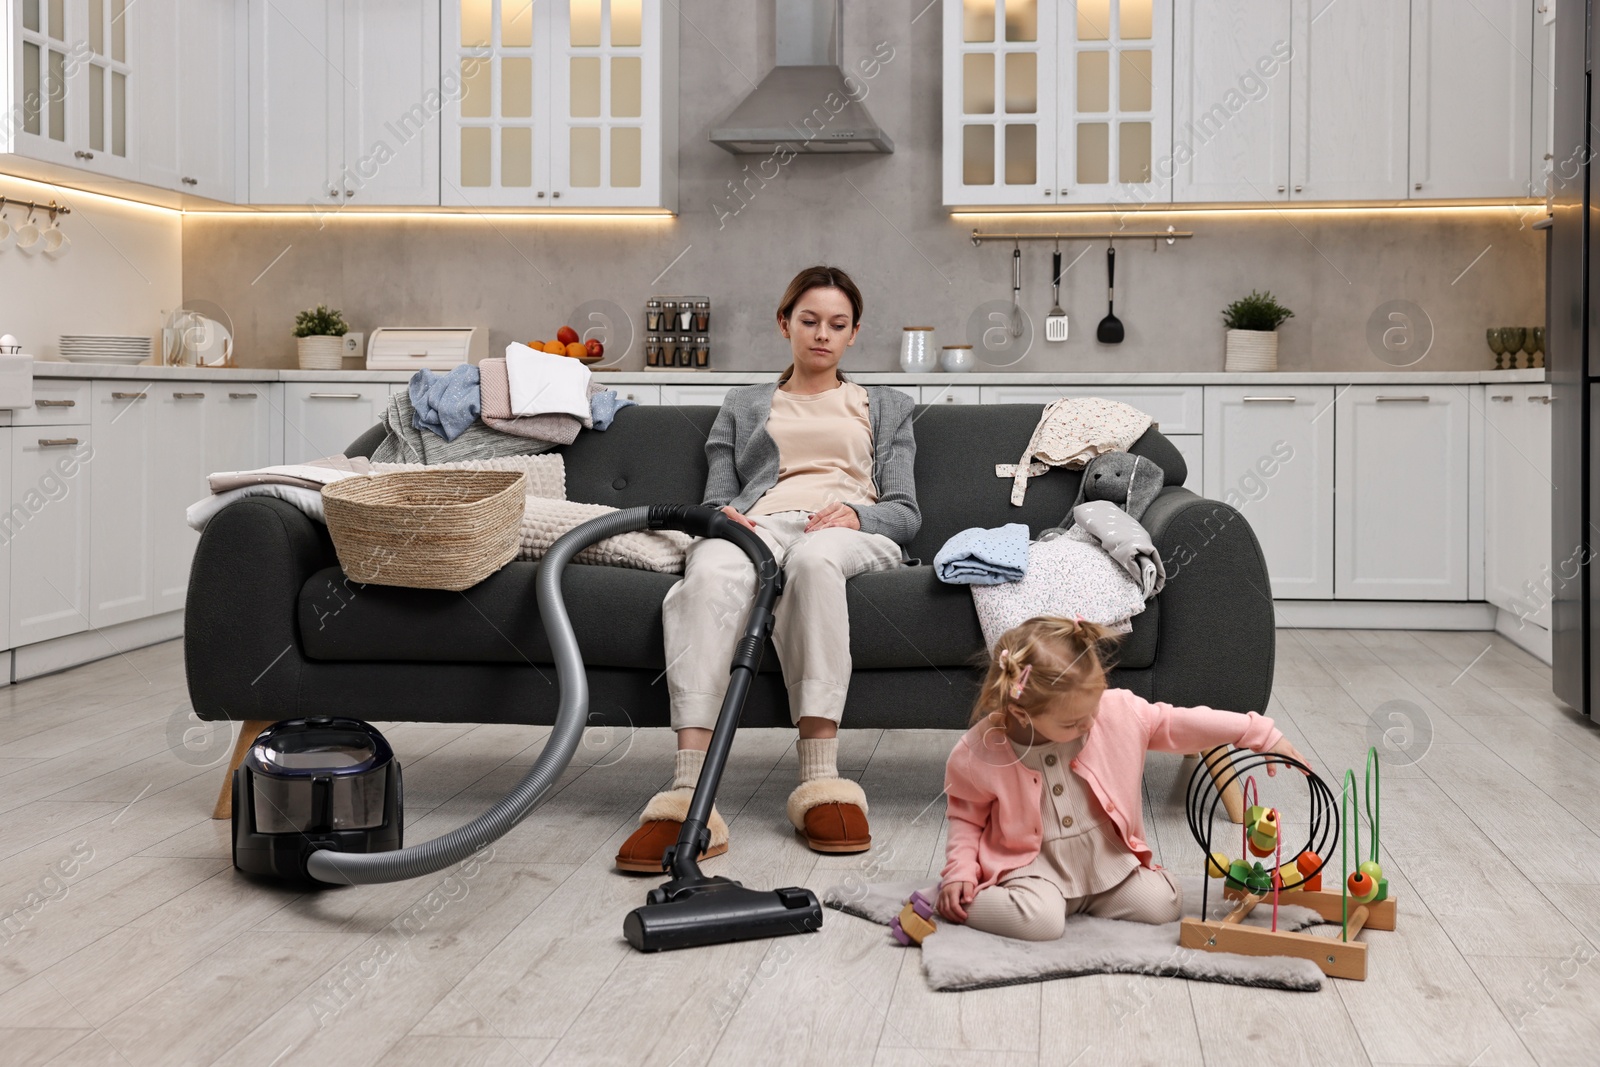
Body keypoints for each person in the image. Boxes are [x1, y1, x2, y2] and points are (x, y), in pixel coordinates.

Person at [615, 265, 921, 872]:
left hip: (842, 531)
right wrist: (725, 520)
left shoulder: (885, 406)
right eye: (809, 321)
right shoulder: (745, 404)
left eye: (838, 324)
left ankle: (821, 782)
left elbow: (906, 511)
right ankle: (686, 794)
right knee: (708, 576)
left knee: (812, 563)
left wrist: (859, 519)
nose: (822, 335)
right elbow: (716, 499)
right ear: (785, 323)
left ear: (854, 333)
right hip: (757, 528)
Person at [936, 616, 1310, 940]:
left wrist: (1254, 731)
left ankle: (1086, 900)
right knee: (1042, 924)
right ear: (1020, 712)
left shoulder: (1117, 712)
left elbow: (1176, 722)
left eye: (1093, 708)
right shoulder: (980, 750)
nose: (1089, 723)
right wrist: (959, 872)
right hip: (1034, 871)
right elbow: (966, 819)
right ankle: (957, 901)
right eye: (1072, 722)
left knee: (1163, 903)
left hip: (1107, 862)